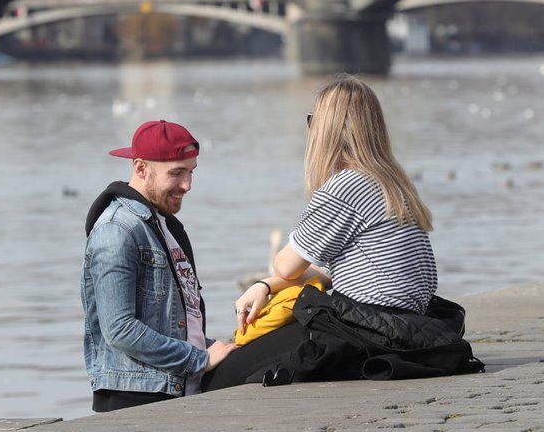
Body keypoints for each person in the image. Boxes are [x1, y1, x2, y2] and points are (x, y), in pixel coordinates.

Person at [202, 75, 482, 390]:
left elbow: (287, 265)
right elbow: (327, 274)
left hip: (365, 329)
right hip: (403, 326)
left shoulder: (345, 186)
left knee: (222, 376)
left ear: (328, 130)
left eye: (312, 122)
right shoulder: (392, 183)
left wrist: (270, 280)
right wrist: (264, 286)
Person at [81, 120, 237, 412]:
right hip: (137, 400)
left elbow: (174, 322)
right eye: (177, 173)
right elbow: (119, 329)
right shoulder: (117, 230)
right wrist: (200, 360)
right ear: (141, 169)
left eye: (191, 172)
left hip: (177, 391)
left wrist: (218, 345)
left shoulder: (163, 224)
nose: (187, 185)